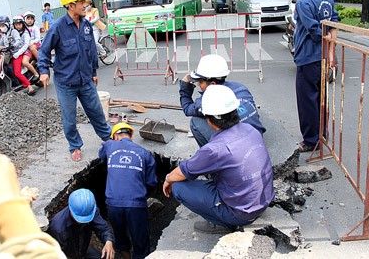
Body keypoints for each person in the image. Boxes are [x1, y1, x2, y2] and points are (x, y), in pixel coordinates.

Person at [164, 85, 274, 234]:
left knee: (178, 187)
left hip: (241, 213)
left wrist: (168, 179)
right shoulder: (251, 130)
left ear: (208, 119)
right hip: (263, 201)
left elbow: (182, 172)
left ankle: (222, 222)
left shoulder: (215, 149)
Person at [38, 0, 111, 162]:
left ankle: (107, 138)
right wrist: (43, 71)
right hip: (66, 83)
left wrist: (93, 71)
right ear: (71, 6)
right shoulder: (58, 27)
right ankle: (75, 146)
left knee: (96, 111)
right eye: (81, 2)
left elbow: (91, 51)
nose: (85, 5)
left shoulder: (86, 25)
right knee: (69, 119)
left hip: (86, 80)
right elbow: (44, 51)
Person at [290, 0, 338, 152]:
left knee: (307, 100)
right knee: (321, 98)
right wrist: (332, 52)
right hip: (323, 57)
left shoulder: (303, 2)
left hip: (308, 57)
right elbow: (334, 23)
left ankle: (311, 140)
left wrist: (324, 38)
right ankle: (322, 134)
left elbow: (314, 31)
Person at [179, 54, 265, 148]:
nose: (199, 85)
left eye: (200, 81)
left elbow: (187, 109)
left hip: (237, 148)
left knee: (195, 121)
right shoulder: (240, 87)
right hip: (256, 138)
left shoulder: (206, 101)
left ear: (212, 84)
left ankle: (214, 155)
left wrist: (184, 86)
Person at [99, 123, 157, 259]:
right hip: (136, 204)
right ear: (131, 137)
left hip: (113, 204)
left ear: (115, 136)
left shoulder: (109, 145)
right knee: (141, 240)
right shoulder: (145, 153)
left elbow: (102, 156)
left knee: (120, 235)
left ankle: (126, 257)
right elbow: (151, 182)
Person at [46, 188, 115, 259]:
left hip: (82, 247)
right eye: (81, 219)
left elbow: (102, 228)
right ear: (70, 209)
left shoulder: (90, 210)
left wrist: (108, 241)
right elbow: (54, 253)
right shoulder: (58, 228)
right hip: (67, 253)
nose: (85, 222)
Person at [0, 15, 36, 96]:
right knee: (7, 68)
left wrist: (12, 46)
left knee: (17, 72)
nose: (2, 27)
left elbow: (18, 41)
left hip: (17, 54)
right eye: (0, 26)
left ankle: (30, 87)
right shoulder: (4, 35)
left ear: (7, 24)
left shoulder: (14, 32)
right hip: (8, 55)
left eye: (3, 25)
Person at [23, 11, 41, 83]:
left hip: (35, 44)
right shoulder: (23, 29)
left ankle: (40, 61)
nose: (30, 20)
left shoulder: (35, 28)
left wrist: (31, 42)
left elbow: (37, 38)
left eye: (31, 19)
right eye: (28, 19)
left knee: (32, 47)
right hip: (26, 46)